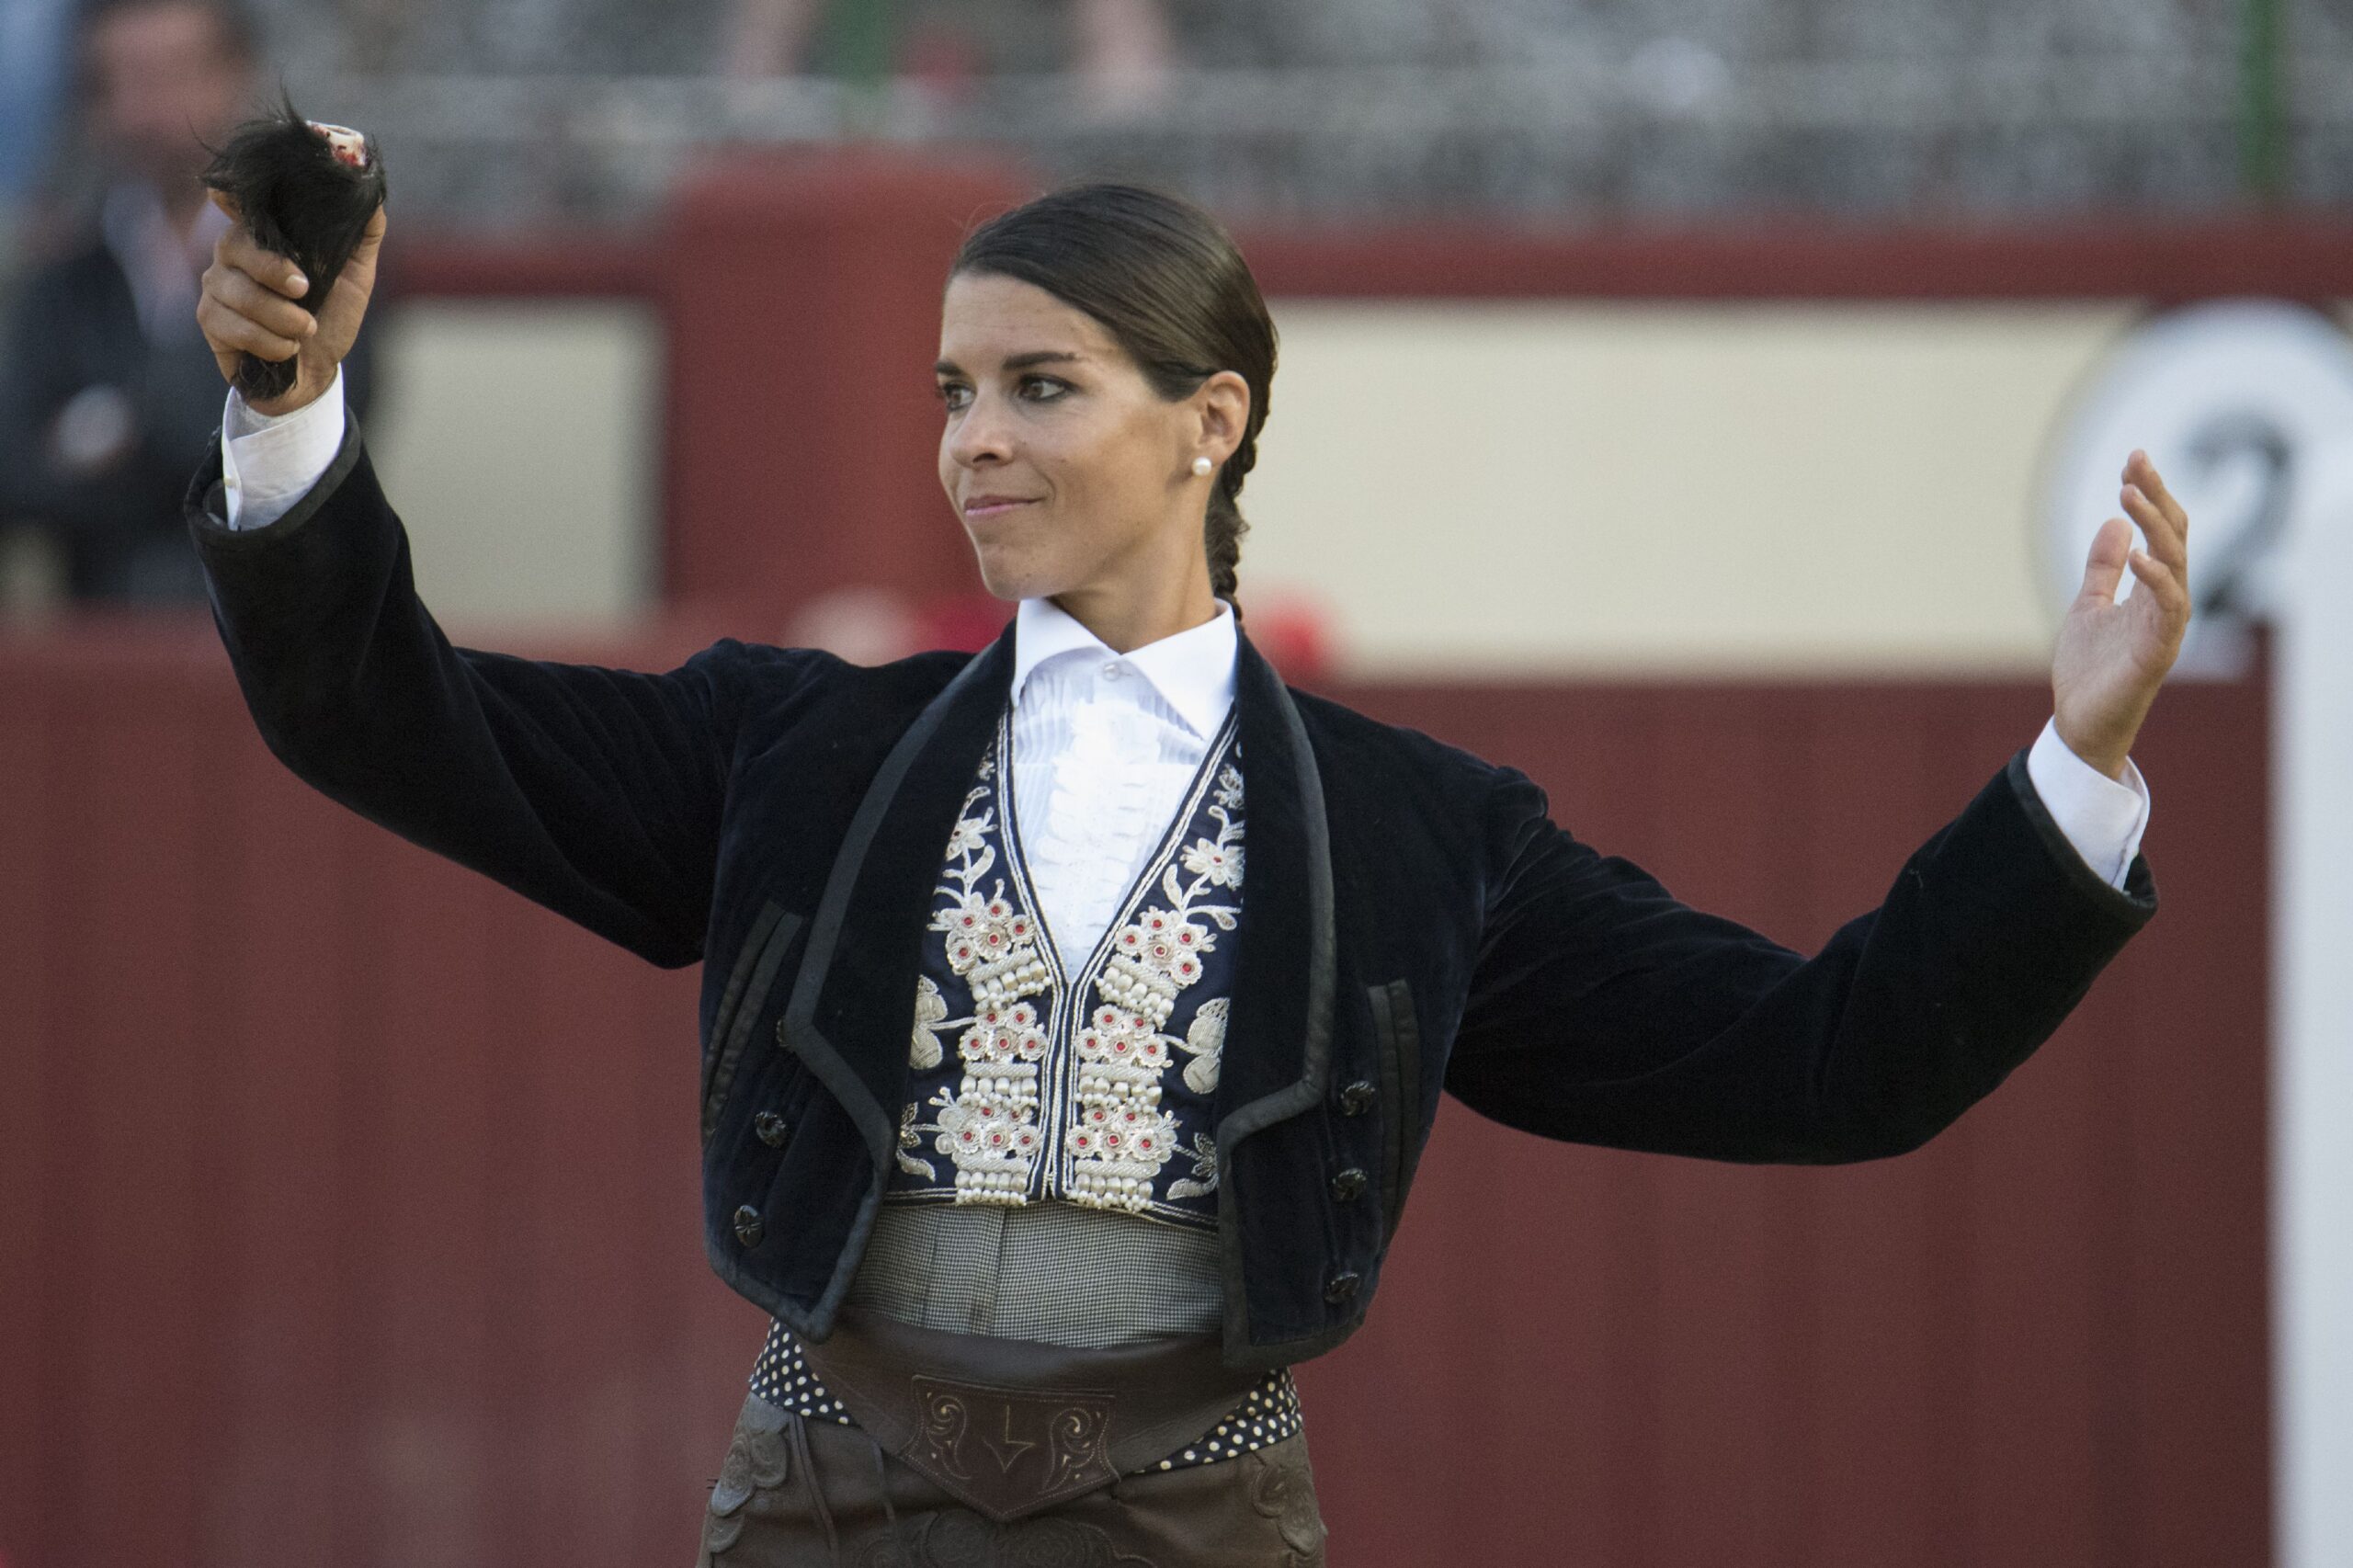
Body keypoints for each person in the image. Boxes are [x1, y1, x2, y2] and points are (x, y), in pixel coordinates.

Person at [186, 182, 2181, 1564]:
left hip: (1191, 1518)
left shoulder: (1418, 828)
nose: (972, 440)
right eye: (953, 392)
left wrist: (2069, 765)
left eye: (1038, 386)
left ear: (1207, 421)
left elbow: (1822, 1060)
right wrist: (288, 420)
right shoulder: (794, 747)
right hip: (824, 1504)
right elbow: (391, 717)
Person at [0, 0, 371, 604]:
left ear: (236, 72)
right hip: (103, 637)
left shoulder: (317, 254)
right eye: (121, 81)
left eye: (172, 73)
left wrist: (109, 433)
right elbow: (16, 473)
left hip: (287, 635)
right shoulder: (66, 281)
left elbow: (314, 445)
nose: (146, 109)